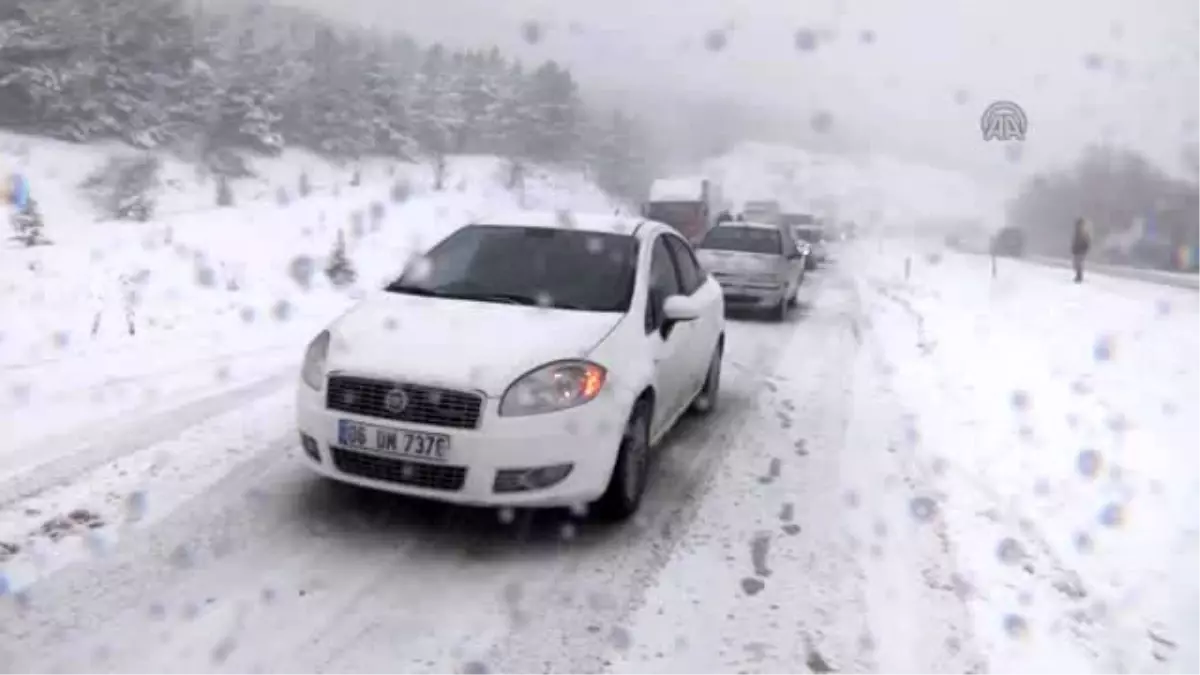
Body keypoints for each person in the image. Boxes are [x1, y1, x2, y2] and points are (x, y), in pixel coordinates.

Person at [1071, 217, 1092, 283]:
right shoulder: (1078, 232)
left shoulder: (1083, 232)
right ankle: (1078, 276)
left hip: (1080, 250)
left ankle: (1079, 277)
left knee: (1078, 264)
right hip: (1078, 250)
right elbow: (1075, 241)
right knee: (1077, 264)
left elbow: (1085, 242)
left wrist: (1083, 249)